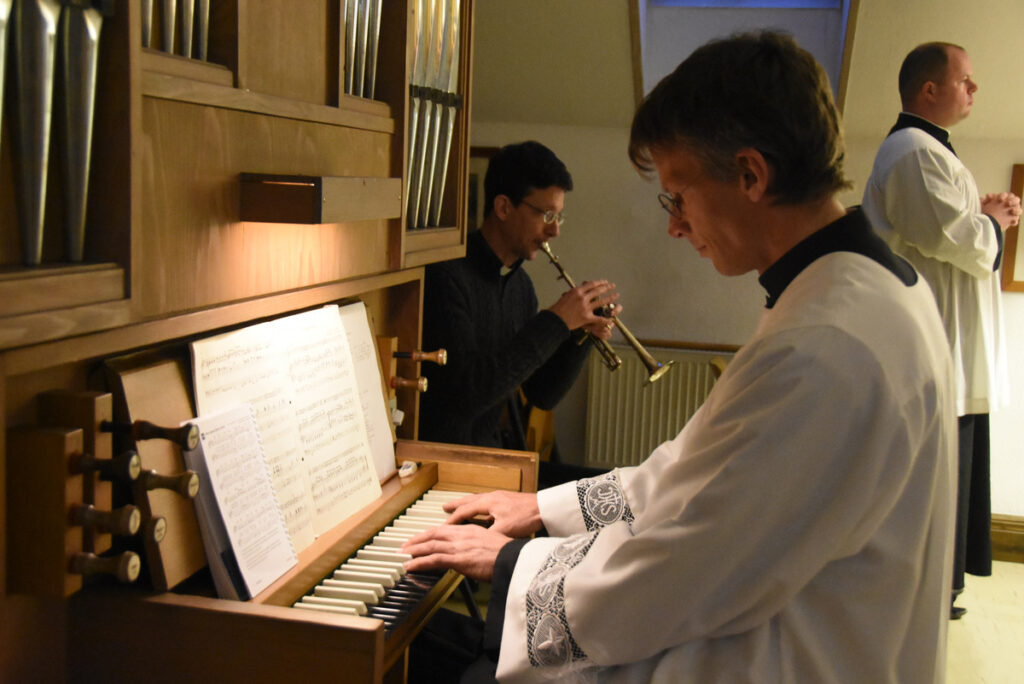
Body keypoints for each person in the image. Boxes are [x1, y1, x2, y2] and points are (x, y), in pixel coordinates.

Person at [403, 32, 957, 683]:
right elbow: (689, 469)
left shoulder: (826, 344)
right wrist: (541, 510)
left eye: (678, 196)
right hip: (774, 636)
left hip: (778, 661)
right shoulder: (854, 286)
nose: (674, 225)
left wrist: (507, 564)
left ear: (750, 175)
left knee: (439, 662)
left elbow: (686, 574)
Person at [861, 42, 1020, 620]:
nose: (974, 89)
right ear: (929, 90)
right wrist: (992, 222)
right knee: (934, 480)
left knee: (953, 476)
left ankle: (938, 588)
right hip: (936, 347)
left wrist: (983, 212)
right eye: (965, 80)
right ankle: (924, 592)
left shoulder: (927, 149)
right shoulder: (912, 150)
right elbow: (951, 239)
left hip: (951, 347)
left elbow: (947, 226)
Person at [419, 140, 619, 479]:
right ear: (503, 207)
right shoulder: (447, 275)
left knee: (611, 485)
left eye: (559, 217)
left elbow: (542, 395)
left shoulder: (520, 286)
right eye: (546, 215)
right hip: (449, 464)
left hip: (495, 456)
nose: (554, 230)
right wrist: (556, 322)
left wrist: (580, 337)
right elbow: (468, 395)